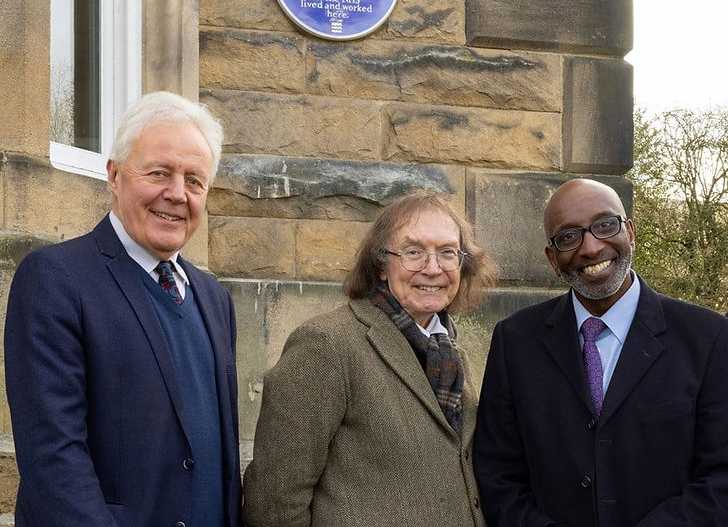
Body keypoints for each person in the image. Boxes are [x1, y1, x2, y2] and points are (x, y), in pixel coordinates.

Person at [4, 91, 241, 527]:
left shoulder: (215, 300)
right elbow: (54, 459)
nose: (176, 194)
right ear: (113, 176)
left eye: (194, 180)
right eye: (158, 173)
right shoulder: (56, 280)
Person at [473, 177, 728, 526]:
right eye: (568, 236)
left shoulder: (713, 340)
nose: (590, 247)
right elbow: (497, 474)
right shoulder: (514, 342)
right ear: (552, 258)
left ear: (631, 232)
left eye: (605, 225)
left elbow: (726, 479)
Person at [242, 192, 496, 527]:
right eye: (413, 252)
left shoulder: (450, 353)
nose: (433, 268)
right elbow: (274, 501)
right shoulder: (327, 344)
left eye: (447, 252)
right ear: (380, 265)